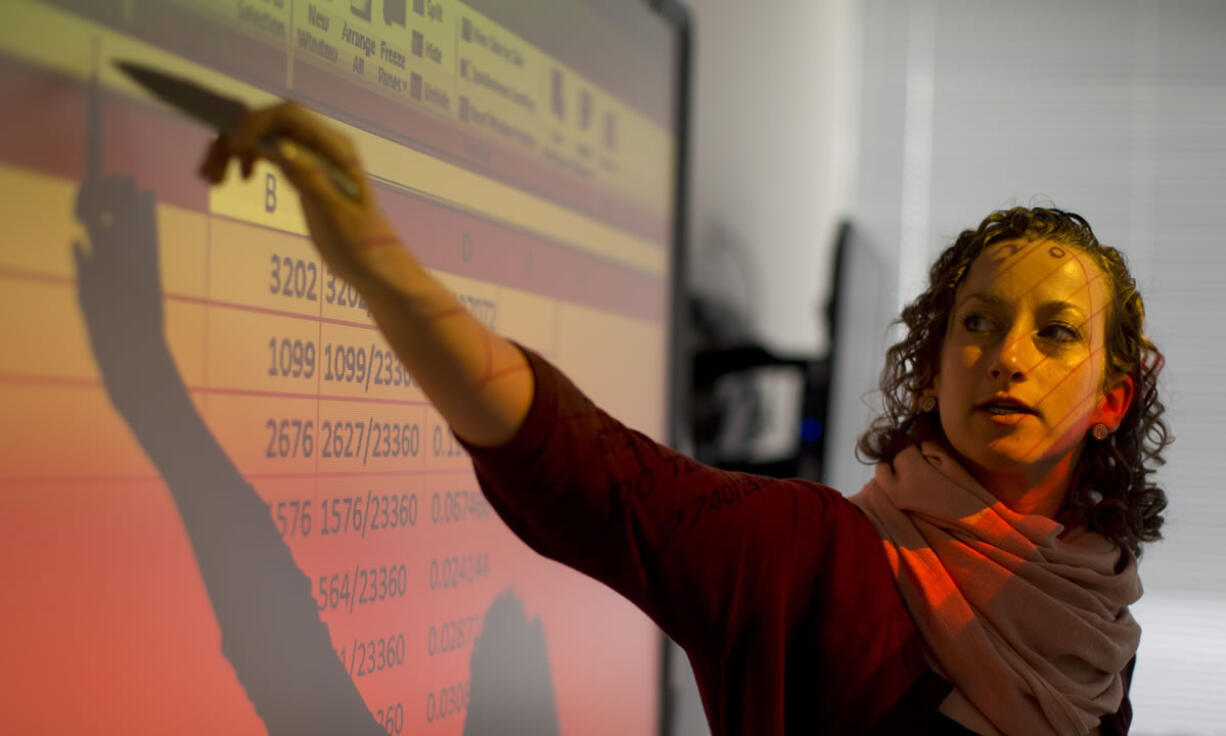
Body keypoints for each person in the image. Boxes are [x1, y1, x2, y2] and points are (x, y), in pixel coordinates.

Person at [199, 103, 1170, 735]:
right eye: (977, 323)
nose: (1006, 355)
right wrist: (380, 266)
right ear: (929, 372)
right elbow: (588, 470)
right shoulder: (812, 558)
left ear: (1110, 395)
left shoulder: (1095, 629)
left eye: (1053, 333)